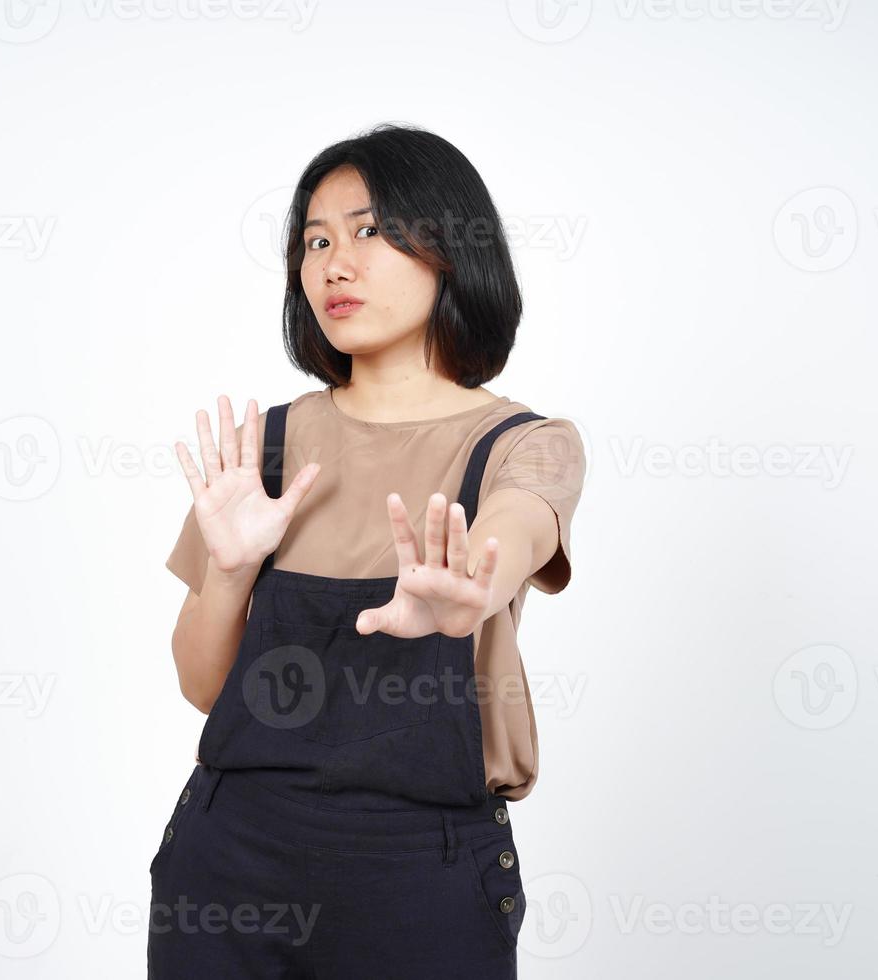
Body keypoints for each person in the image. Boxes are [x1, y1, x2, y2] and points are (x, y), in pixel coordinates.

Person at [149, 123, 585, 978]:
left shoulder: (522, 445)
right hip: (230, 863)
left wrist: (469, 584)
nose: (333, 263)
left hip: (421, 877)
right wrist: (230, 570)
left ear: (451, 248)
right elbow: (203, 687)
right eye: (315, 240)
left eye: (369, 230)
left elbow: (515, 527)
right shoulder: (263, 451)